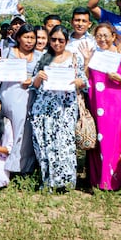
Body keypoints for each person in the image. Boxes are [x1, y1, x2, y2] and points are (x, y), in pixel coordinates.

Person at [80, 22, 121, 191]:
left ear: (113, 36)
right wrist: (86, 61)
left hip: (115, 106)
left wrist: (120, 79)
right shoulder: (94, 54)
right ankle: (96, 180)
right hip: (96, 105)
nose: (102, 39)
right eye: (99, 36)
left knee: (113, 142)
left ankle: (111, 182)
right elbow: (87, 79)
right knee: (97, 142)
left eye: (106, 35)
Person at [29, 26, 87, 190]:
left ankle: (66, 182)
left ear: (67, 41)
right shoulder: (43, 58)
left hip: (65, 109)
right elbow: (33, 86)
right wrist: (38, 78)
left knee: (64, 144)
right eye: (53, 39)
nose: (56, 43)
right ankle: (48, 181)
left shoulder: (75, 58)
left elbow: (84, 82)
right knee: (45, 143)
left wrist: (78, 82)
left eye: (61, 40)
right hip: (43, 109)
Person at [0, 24, 41, 176]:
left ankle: (23, 168)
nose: (29, 41)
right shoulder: (7, 52)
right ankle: (3, 168)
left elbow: (42, 76)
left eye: (32, 38)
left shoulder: (39, 55)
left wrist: (31, 80)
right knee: (8, 131)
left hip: (28, 96)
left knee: (25, 133)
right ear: (18, 38)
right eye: (26, 37)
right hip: (9, 94)